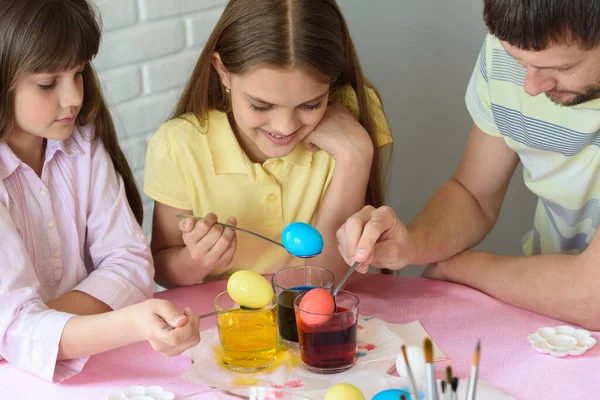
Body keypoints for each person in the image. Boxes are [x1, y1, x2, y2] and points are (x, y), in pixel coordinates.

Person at [336, 0, 600, 330]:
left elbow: (592, 296)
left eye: (562, 68)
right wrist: (413, 243)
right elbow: (474, 194)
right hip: (550, 319)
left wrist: (460, 268)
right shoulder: (516, 48)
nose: (531, 87)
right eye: (518, 60)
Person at [0, 0, 200, 382]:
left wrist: (38, 329)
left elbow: (131, 264)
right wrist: (126, 321)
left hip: (84, 365)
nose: (73, 97)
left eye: (78, 73)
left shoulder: (82, 145)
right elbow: (15, 332)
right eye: (47, 84)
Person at [144, 0, 393, 288]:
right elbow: (161, 270)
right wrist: (196, 259)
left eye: (311, 104)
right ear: (222, 70)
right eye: (261, 106)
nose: (284, 127)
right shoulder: (178, 145)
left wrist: (355, 155)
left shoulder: (354, 118)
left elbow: (330, 279)